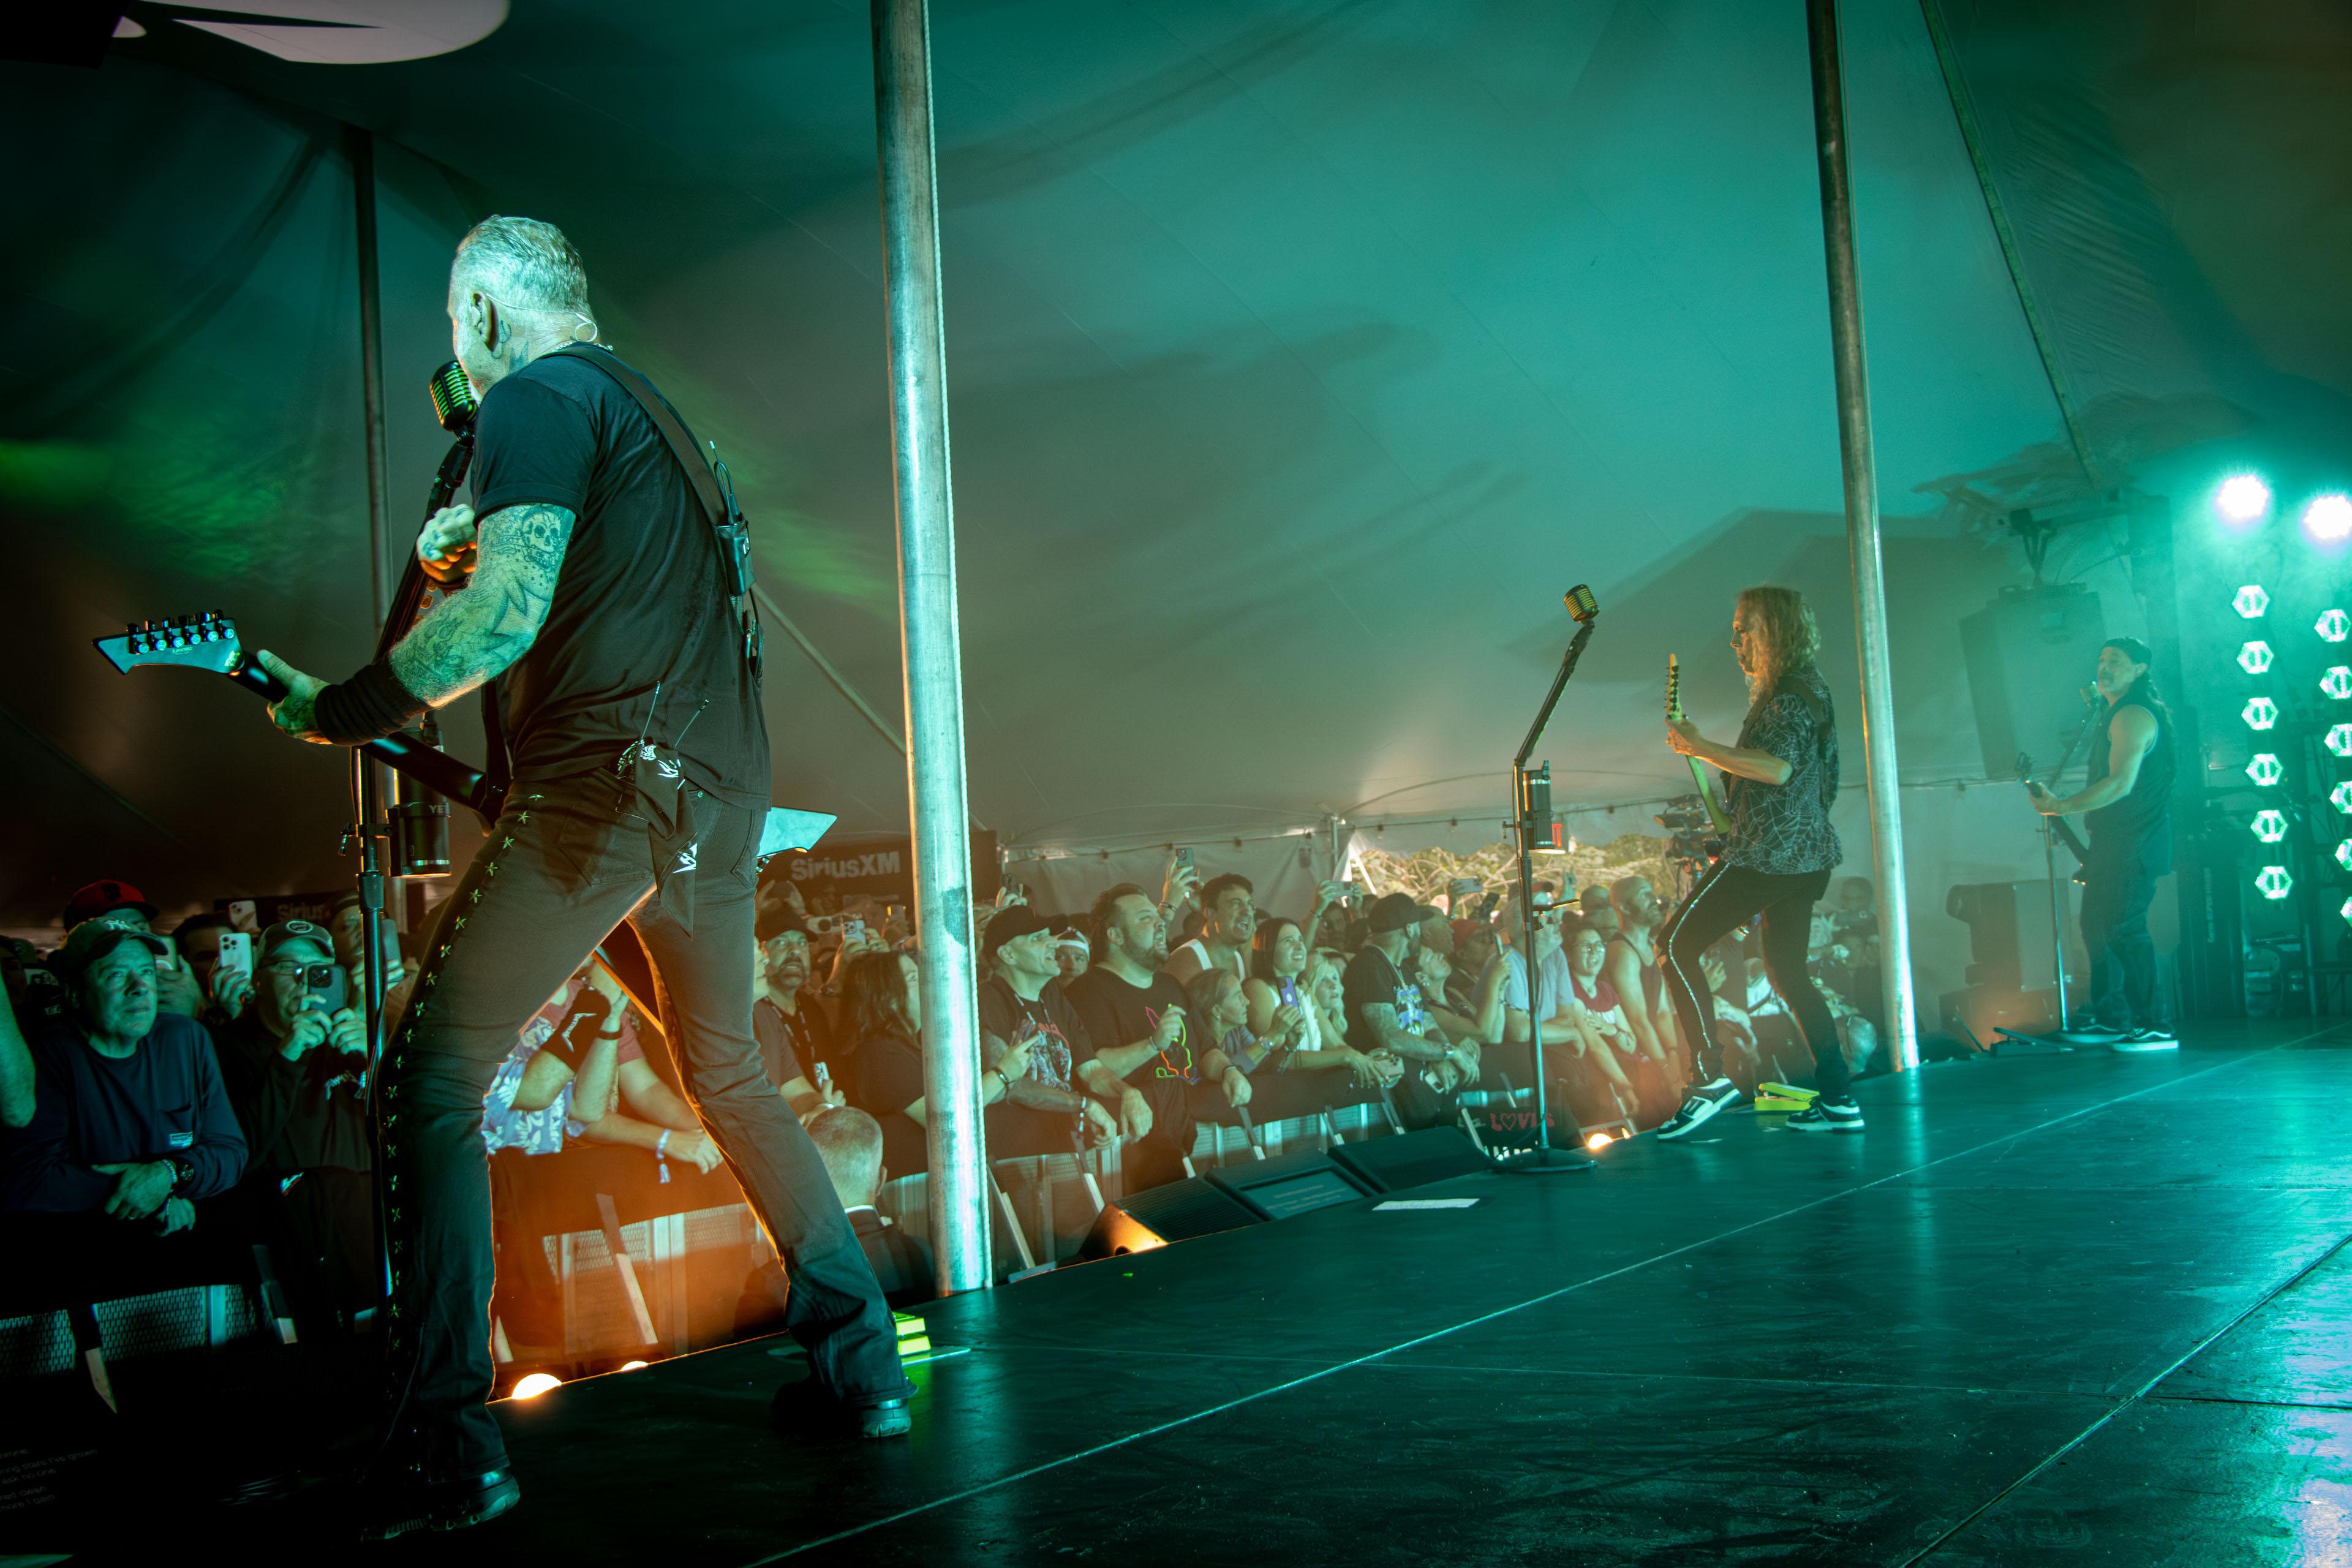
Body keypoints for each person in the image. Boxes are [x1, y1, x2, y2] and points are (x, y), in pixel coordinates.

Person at [251, 216, 911, 1530]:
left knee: (429, 1074)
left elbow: (500, 622)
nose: (459, 359)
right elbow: (579, 587)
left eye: (457, 330)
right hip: (716, 800)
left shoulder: (535, 398)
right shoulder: (659, 421)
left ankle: (447, 1443)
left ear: (484, 317)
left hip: (607, 788)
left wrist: (340, 708)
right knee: (726, 1071)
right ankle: (864, 1368)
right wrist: (466, 547)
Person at [1657, 586, 1858, 1138]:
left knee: (1674, 946)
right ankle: (1839, 1097)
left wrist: (1699, 745)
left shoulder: (1789, 697)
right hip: (1805, 856)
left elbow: (1776, 769)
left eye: (1743, 629)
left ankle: (1709, 1079)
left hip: (1770, 857)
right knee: (1789, 973)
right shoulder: (1804, 687)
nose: (1734, 641)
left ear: (1773, 630)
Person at [1, 922, 246, 1278]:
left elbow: (231, 1153)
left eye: (147, 972)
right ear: (74, 994)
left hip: (184, 1261)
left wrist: (167, 1174)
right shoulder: (48, 1055)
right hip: (82, 1266)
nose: (140, 987)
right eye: (116, 975)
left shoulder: (185, 1038)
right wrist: (153, 1195)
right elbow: (28, 1182)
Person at [216, 921, 377, 1328]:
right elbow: (239, 1154)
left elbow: (405, 1138)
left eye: (319, 970)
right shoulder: (225, 1046)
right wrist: (288, 1055)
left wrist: (376, 1063)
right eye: (288, 967)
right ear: (257, 981)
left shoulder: (354, 1042)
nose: (304, 980)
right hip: (274, 1254)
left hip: (362, 1241)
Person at [2030, 636, 2177, 1051]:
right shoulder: (2113, 713)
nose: (2105, 667)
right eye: (2102, 659)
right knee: (2096, 927)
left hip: (2136, 843)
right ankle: (2112, 1018)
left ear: (2140, 670)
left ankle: (2156, 1024)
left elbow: (2120, 784)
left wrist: (2063, 805)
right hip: (2115, 843)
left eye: (2116, 660)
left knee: (2124, 927)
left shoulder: (2133, 715)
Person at [1064, 884, 1250, 1193]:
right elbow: (1091, 1068)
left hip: (1183, 1139)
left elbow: (1206, 1049)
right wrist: (1152, 1045)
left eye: (1158, 916)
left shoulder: (1170, 986)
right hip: (1124, 1158)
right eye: (1145, 918)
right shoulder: (1087, 992)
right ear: (1115, 935)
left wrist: (1229, 1071)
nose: (1160, 923)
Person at [834, 951, 1028, 1177]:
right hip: (911, 1188)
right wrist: (1003, 1073)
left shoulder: (914, 1045)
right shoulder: (879, 1054)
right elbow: (944, 1119)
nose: (928, 982)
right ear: (889, 999)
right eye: (913, 978)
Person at [978, 908, 1120, 1156]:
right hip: (1017, 1155)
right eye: (1037, 938)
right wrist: (1082, 1104)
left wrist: (1129, 1095)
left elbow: (1090, 1069)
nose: (1054, 943)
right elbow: (1007, 1084)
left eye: (1050, 935)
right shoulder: (987, 999)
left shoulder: (1052, 996)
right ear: (1008, 954)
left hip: (1064, 1144)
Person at [1343, 893, 1477, 1127]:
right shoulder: (1370, 964)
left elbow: (1430, 1026)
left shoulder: (1403, 969)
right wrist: (1450, 1053)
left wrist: (1440, 1058)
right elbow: (1391, 1038)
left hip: (1419, 1092)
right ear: (1409, 929)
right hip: (1388, 1103)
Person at [1246, 917, 1396, 1088]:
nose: (1299, 945)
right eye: (1288, 941)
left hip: (1309, 1090)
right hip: (1278, 1093)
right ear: (1267, 950)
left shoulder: (1302, 989)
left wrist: (1364, 1059)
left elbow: (1337, 1045)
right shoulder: (1257, 987)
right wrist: (1347, 1057)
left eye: (1300, 939)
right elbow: (1280, 1057)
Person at [753, 918, 843, 1121]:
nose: (795, 951)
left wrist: (824, 1109)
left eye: (802, 943)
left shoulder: (811, 1007)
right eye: (782, 942)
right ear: (762, 952)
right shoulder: (753, 1012)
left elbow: (796, 1090)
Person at [1602, 876, 1686, 1091]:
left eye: (1651, 893)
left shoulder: (1650, 945)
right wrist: (1668, 1071)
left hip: (1655, 1052)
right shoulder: (1623, 952)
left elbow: (1662, 1011)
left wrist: (1673, 1053)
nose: (1653, 899)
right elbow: (1638, 1020)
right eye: (1644, 895)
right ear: (1624, 907)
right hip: (1636, 1060)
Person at [1164, 873, 1257, 986]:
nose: (1247, 911)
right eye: (1235, 904)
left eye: (1250, 904)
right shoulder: (1187, 960)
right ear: (1210, 913)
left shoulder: (1240, 958)